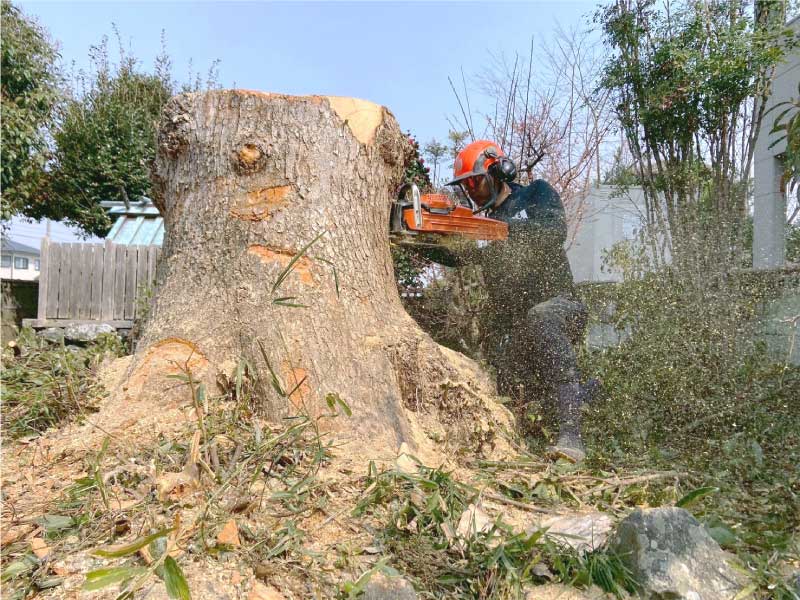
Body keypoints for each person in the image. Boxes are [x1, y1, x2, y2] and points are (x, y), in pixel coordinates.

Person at [430, 139, 596, 461]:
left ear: (498, 171)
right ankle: (576, 400)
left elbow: (553, 231)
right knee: (500, 367)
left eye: (475, 181)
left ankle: (572, 437)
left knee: (540, 317)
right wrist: (415, 241)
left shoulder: (535, 194)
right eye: (466, 186)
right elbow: (457, 256)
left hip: (561, 307)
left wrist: (500, 229)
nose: (472, 191)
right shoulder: (482, 227)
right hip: (516, 327)